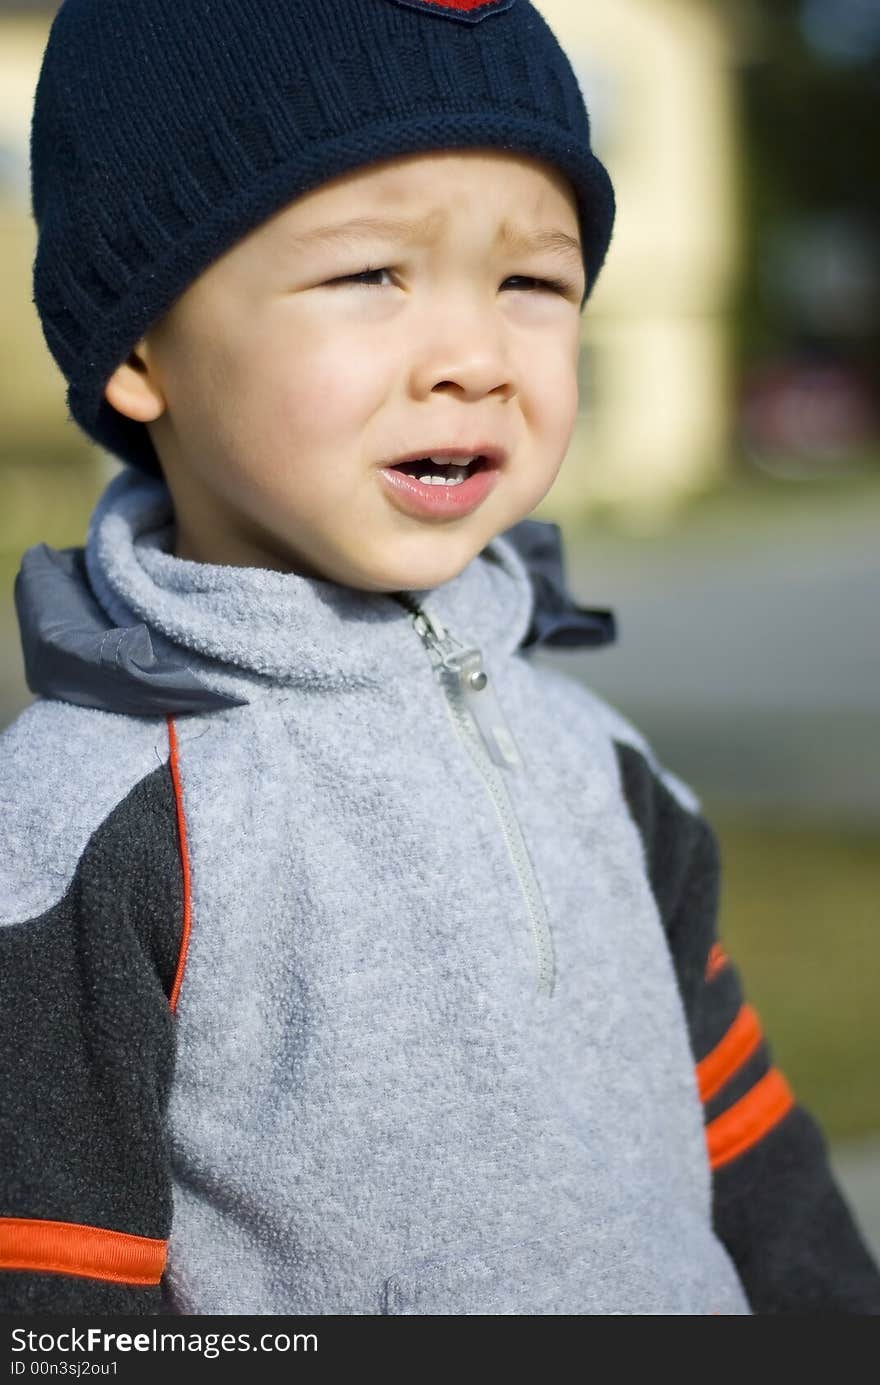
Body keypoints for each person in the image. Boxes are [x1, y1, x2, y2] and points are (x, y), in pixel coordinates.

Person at [1, 0, 878, 1317]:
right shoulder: (97, 810)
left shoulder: (603, 763)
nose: (474, 358)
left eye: (533, 283)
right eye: (370, 276)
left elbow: (750, 1153)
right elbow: (55, 1303)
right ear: (139, 344)